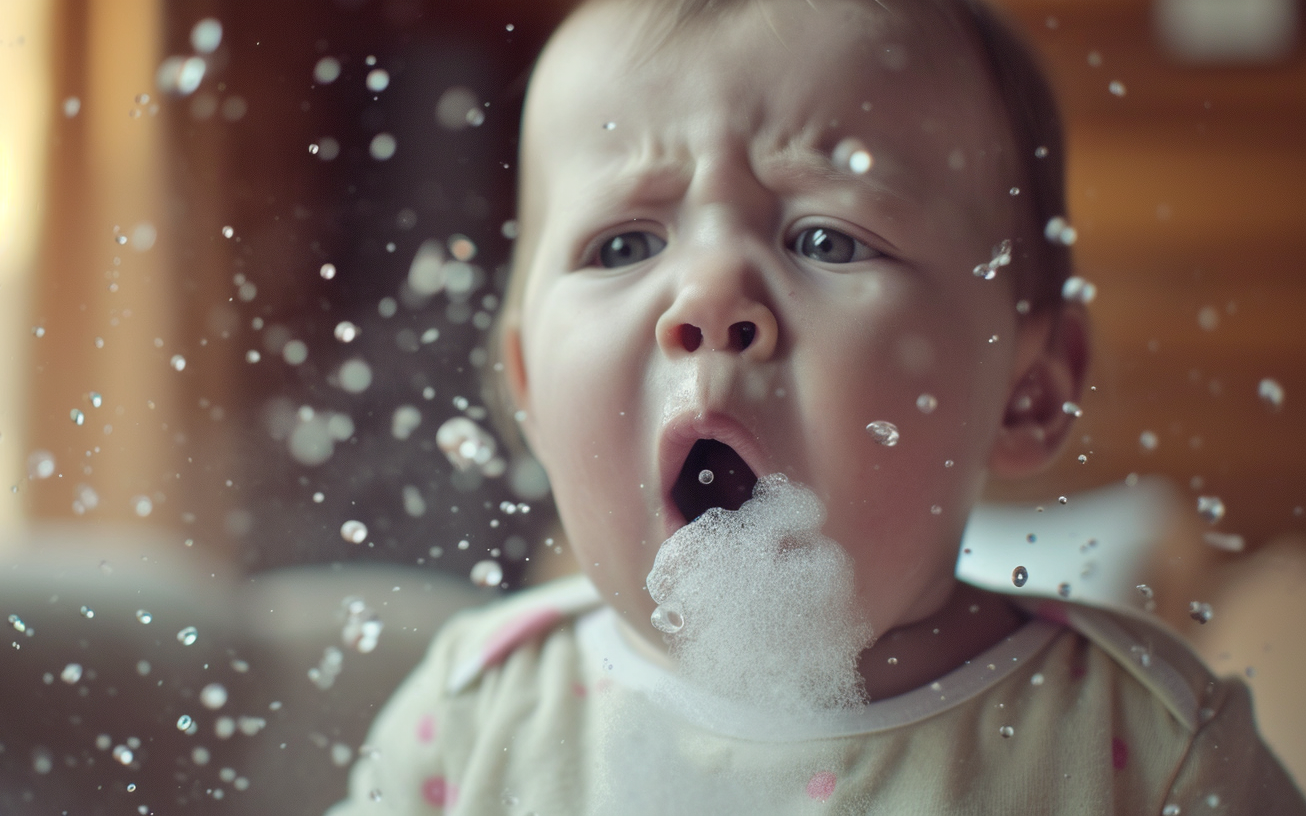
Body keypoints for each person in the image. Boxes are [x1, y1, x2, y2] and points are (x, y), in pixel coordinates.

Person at [333, 0, 1306, 812]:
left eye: (829, 239)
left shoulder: (1138, 747)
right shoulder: (473, 723)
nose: (707, 297)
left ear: (1026, 388)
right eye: (622, 247)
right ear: (529, 389)